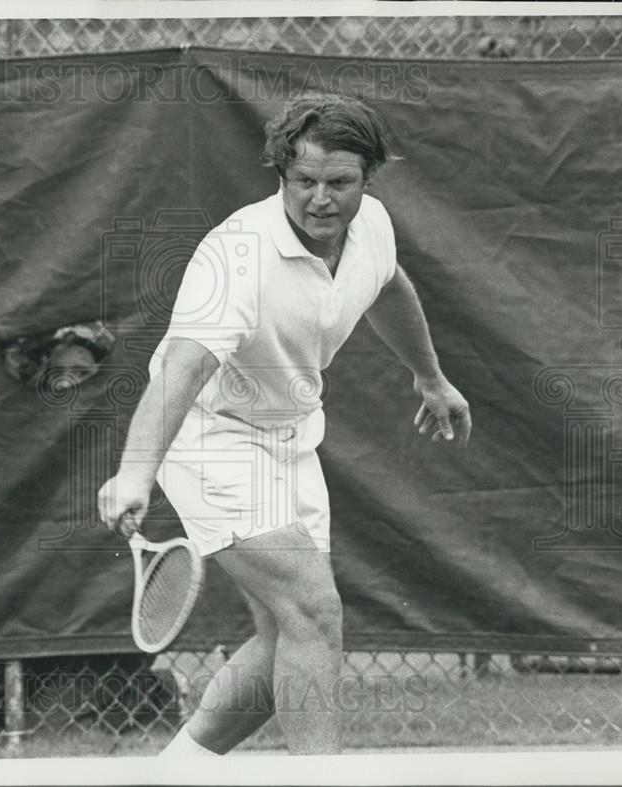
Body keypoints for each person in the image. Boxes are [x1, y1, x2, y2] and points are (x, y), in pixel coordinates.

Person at [97, 93, 471, 756]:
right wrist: (135, 471)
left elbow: (387, 286)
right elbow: (180, 369)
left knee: (286, 643)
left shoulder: (373, 227)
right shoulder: (236, 256)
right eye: (303, 182)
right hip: (211, 438)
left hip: (291, 436)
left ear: (367, 179)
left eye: (339, 183)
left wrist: (429, 376)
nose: (320, 199)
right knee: (315, 612)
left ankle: (172, 771)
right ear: (281, 175)